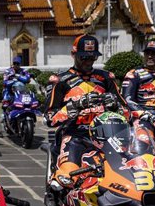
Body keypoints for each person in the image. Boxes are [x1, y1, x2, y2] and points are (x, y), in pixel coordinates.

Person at [44, 35, 127, 189]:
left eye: (92, 57)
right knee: (64, 179)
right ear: (73, 54)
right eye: (84, 57)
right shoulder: (60, 81)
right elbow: (49, 118)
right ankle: (56, 202)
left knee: (127, 172)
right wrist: (75, 106)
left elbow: (126, 112)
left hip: (108, 135)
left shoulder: (105, 78)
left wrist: (115, 106)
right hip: (75, 135)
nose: (88, 61)